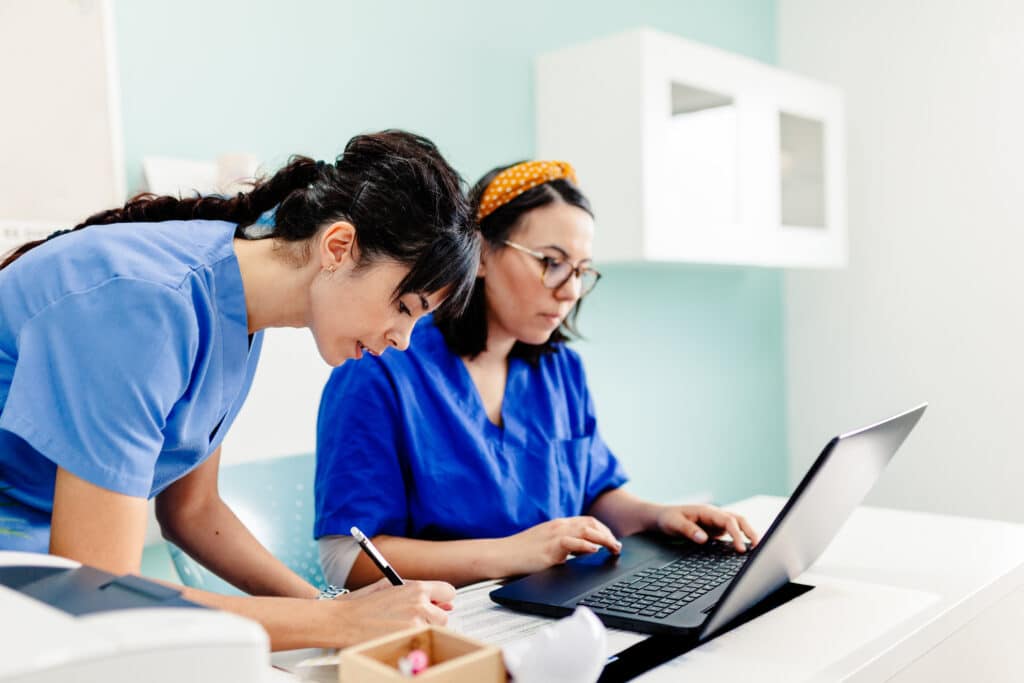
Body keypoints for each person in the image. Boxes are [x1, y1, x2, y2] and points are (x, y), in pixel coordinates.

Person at [0, 130, 479, 649]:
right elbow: (98, 592)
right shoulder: (146, 305)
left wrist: (331, 608)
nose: (403, 341)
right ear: (338, 247)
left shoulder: (238, 308)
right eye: (405, 307)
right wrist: (337, 624)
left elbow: (193, 511)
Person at [314, 160, 760, 589]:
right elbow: (347, 559)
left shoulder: (561, 370)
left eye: (581, 272)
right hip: (446, 627)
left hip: (558, 602)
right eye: (551, 262)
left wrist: (658, 516)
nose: (568, 292)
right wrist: (511, 554)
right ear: (482, 253)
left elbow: (595, 495)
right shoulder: (381, 365)